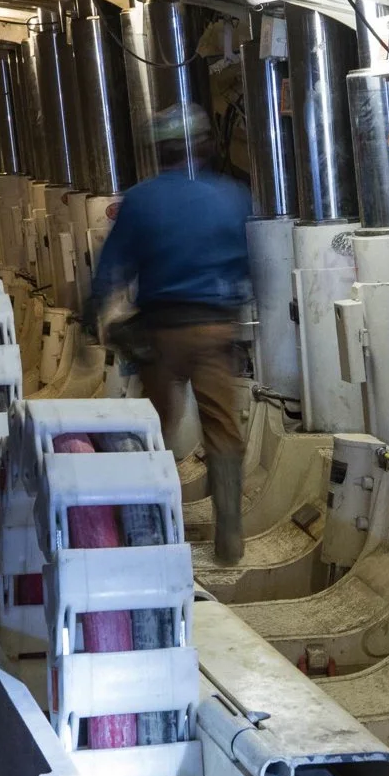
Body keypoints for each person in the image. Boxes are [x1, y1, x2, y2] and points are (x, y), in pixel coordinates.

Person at [85, 101, 253, 565]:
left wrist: (92, 311)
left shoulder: (141, 199)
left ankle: (144, 525)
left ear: (160, 152)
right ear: (203, 147)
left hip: (163, 332)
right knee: (223, 429)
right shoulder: (233, 196)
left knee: (155, 426)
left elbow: (114, 266)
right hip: (217, 329)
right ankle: (230, 537)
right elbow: (251, 263)